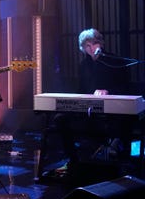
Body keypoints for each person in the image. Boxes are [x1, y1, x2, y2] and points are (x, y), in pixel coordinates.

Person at [49, 28, 132, 176]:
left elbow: (125, 86)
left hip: (112, 109)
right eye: (87, 46)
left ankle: (119, 163)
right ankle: (73, 160)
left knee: (124, 121)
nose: (91, 48)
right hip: (89, 109)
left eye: (94, 43)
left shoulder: (114, 61)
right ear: (83, 49)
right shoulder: (83, 66)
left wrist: (108, 92)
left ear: (100, 44)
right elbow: (81, 89)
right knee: (60, 119)